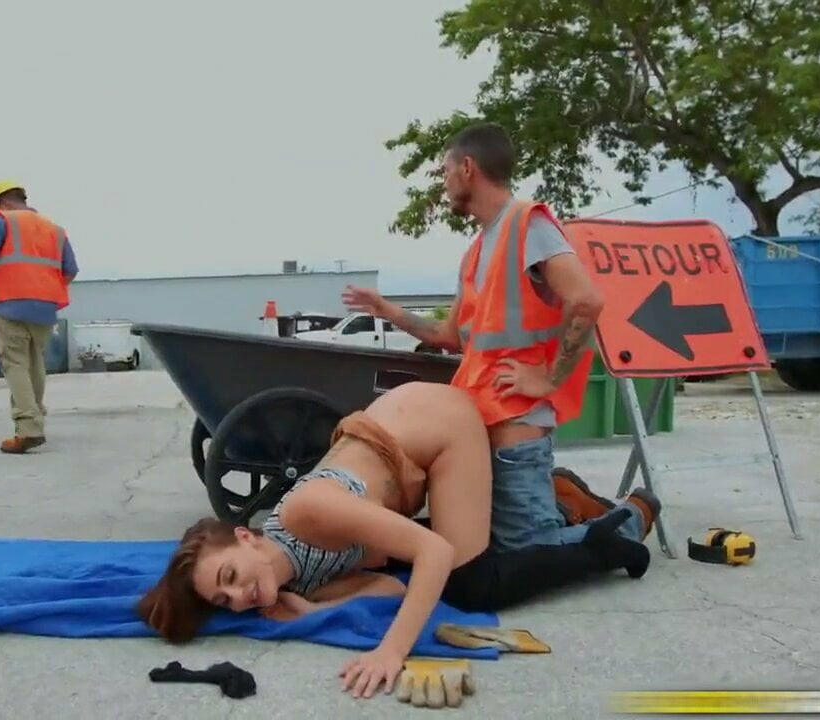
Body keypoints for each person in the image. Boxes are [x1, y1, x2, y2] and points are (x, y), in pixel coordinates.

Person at [137, 381, 653, 701]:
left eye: (229, 576)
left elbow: (433, 554)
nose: (239, 596)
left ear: (245, 538)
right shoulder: (302, 583)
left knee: (472, 583)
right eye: (225, 601)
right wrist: (314, 609)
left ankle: (611, 537)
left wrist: (391, 652)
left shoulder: (304, 512)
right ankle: (557, 501)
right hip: (403, 453)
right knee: (441, 565)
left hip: (436, 423)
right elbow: (392, 587)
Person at [343, 122, 658, 552]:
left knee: (529, 550)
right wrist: (388, 310)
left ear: (467, 168)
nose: (444, 182)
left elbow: (586, 301)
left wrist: (548, 378)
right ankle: (563, 501)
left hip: (516, 425)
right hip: (478, 426)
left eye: (445, 171)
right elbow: (449, 335)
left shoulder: (528, 224)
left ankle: (632, 517)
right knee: (486, 544)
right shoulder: (477, 251)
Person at [0, 180, 78, 454]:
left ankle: (28, 429)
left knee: (14, 363)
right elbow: (70, 270)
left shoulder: (2, 221)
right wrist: (43, 288)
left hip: (11, 303)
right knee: (35, 364)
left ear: (1, 203)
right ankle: (35, 420)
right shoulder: (55, 229)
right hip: (44, 306)